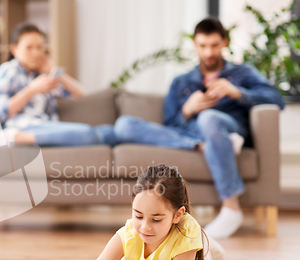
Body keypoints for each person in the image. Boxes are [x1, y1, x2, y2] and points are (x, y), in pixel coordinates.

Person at [114, 18, 285, 239]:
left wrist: (237, 93)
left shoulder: (243, 73)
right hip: (189, 133)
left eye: (214, 45)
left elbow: (276, 100)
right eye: (203, 46)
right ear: (195, 45)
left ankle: (231, 206)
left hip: (226, 125)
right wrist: (187, 109)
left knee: (209, 117)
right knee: (125, 125)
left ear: (224, 42)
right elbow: (169, 128)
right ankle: (201, 145)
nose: (209, 52)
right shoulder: (181, 82)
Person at [79, 165, 216, 260]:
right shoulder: (127, 234)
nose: (145, 228)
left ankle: (209, 242)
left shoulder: (188, 233)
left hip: (194, 254)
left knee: (208, 255)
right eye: (138, 216)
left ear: (177, 215)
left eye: (156, 219)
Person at [0, 22, 117, 146]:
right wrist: (32, 90)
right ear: (14, 49)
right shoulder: (8, 70)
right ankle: (14, 138)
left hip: (48, 126)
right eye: (29, 47)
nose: (36, 53)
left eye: (39, 47)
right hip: (23, 126)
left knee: (109, 132)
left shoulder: (42, 76)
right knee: (89, 133)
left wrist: (56, 72)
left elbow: (83, 97)